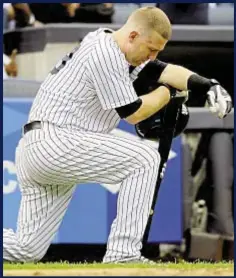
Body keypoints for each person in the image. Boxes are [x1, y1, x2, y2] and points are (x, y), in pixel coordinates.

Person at [3, 7, 232, 264]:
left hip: (43, 147)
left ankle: (122, 254)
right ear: (133, 35)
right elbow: (133, 113)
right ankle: (123, 254)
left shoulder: (114, 46)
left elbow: (162, 70)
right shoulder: (105, 52)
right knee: (144, 158)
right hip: (55, 141)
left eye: (157, 50)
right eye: (151, 48)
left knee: (25, 250)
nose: (153, 55)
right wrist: (167, 93)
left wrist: (207, 84)